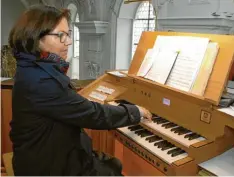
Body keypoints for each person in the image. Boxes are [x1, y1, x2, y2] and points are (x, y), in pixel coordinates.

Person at [9, 4, 152, 176]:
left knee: (111, 164)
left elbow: (72, 107)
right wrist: (135, 111)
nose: (68, 41)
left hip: (43, 154)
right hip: (45, 166)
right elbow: (93, 115)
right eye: (60, 35)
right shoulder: (42, 81)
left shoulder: (33, 65)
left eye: (68, 34)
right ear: (36, 38)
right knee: (114, 169)